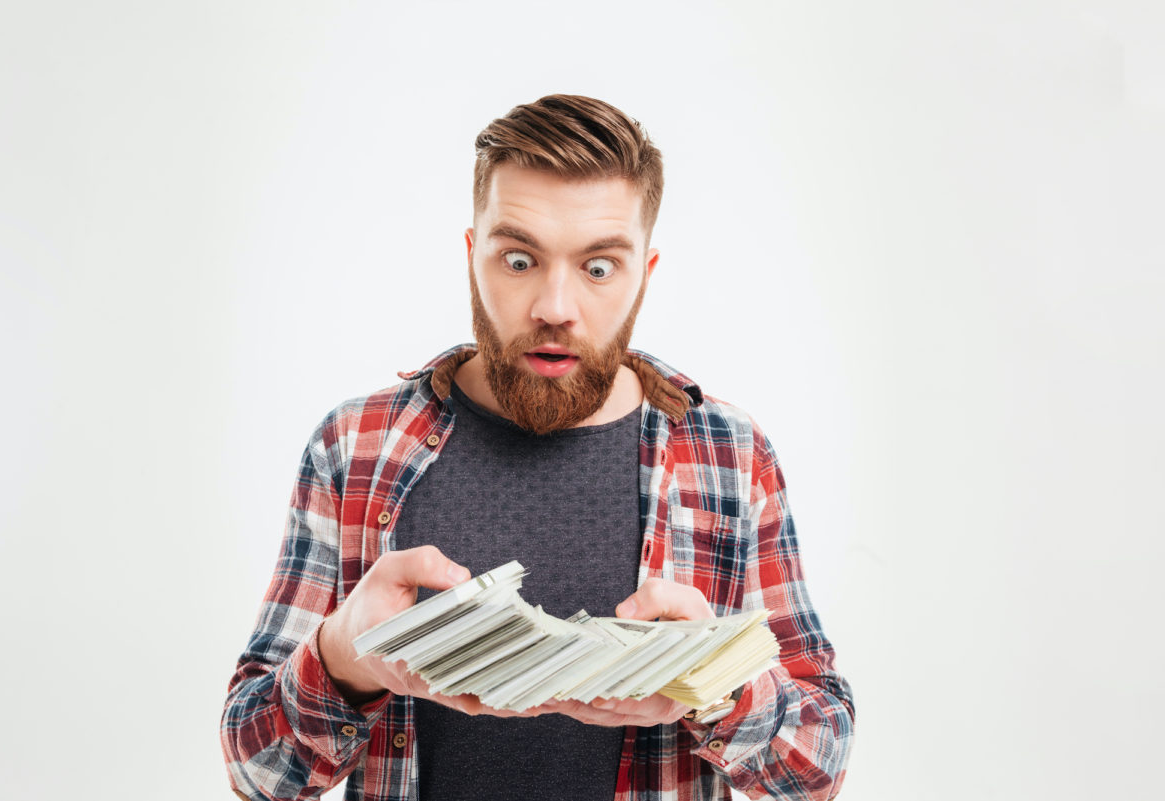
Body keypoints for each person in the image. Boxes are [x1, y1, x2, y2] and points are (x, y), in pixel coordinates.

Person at [221, 94, 854, 801]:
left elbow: (818, 769)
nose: (556, 305)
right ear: (473, 255)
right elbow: (259, 772)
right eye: (519, 259)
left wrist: (719, 687)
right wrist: (342, 656)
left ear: (645, 270)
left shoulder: (730, 458)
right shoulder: (355, 446)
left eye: (598, 267)